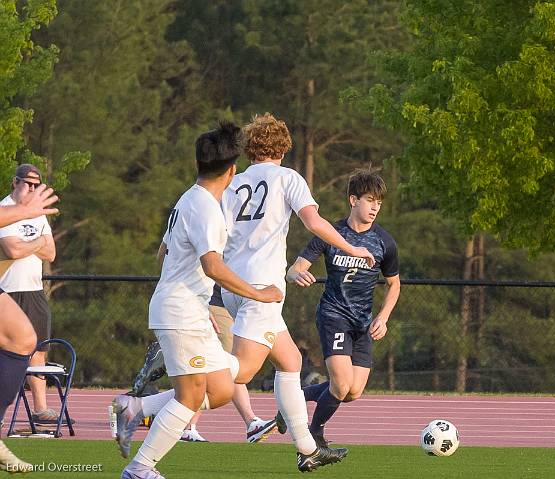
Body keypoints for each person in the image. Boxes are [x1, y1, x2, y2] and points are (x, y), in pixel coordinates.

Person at [114, 122, 283, 479]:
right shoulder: (207, 207)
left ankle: (135, 408)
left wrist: (195, 298)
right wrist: (258, 293)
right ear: (233, 171)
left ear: (198, 164)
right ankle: (140, 468)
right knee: (189, 398)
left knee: (221, 389)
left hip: (187, 309)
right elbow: (213, 266)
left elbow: (163, 253)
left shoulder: (188, 199)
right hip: (181, 313)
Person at [219, 113, 375, 472]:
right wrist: (352, 249)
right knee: (239, 373)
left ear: (249, 148)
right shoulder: (287, 178)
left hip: (232, 285)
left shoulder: (234, 182)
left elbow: (218, 234)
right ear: (284, 146)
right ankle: (161, 385)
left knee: (290, 361)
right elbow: (314, 222)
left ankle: (307, 448)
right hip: (261, 287)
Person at [283, 170, 400, 446]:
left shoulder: (385, 242)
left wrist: (383, 318)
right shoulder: (330, 234)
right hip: (333, 316)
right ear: (352, 200)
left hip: (363, 324)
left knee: (353, 392)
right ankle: (313, 434)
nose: (375, 207)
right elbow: (294, 268)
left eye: (379, 203)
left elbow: (394, 285)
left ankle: (295, 398)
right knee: (341, 385)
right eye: (370, 200)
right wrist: (296, 274)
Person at [129, 283, 277, 444]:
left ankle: (248, 423)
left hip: (232, 302)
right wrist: (258, 293)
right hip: (217, 302)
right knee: (223, 369)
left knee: (221, 375)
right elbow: (213, 268)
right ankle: (188, 426)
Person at [0, 180, 59, 473]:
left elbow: (50, 253)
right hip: (10, 287)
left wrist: (26, 211)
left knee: (26, 339)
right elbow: (11, 248)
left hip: (30, 290)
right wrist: (23, 211)